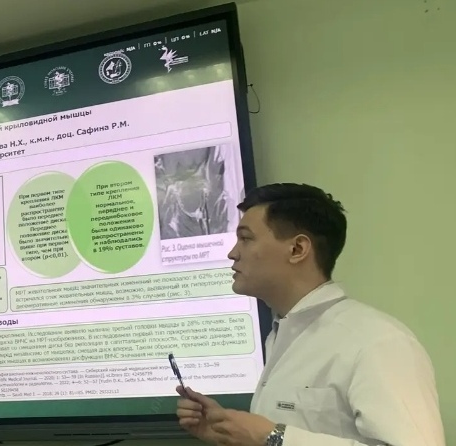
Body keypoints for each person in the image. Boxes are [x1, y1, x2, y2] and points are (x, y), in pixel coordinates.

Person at [175, 183, 445, 445]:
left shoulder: (377, 342)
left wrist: (273, 437)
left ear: (298, 249)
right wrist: (229, 436)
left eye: (246, 239)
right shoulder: (280, 337)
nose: (232, 253)